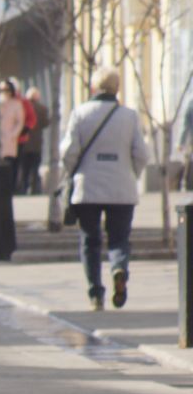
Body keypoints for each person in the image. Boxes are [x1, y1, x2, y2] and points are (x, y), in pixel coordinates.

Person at [60, 68, 151, 312]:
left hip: (87, 187)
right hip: (121, 188)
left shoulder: (80, 114)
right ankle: (118, 267)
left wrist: (72, 173)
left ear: (93, 87)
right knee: (119, 238)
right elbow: (141, 154)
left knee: (90, 241)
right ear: (117, 88)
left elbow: (68, 152)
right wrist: (131, 174)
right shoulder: (129, 116)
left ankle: (95, 295)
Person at [0, 78, 24, 165]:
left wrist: (14, 134)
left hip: (8, 136)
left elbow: (20, 121)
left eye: (7, 90)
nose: (4, 92)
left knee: (7, 162)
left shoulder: (16, 104)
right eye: (2, 90)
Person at [17, 86, 45, 195]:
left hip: (24, 141)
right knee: (35, 168)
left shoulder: (23, 106)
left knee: (24, 168)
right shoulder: (42, 108)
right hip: (37, 143)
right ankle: (35, 190)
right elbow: (46, 122)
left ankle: (23, 189)